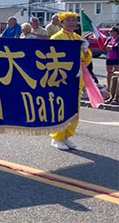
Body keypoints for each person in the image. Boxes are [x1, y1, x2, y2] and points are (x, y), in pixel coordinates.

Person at [49, 12, 92, 151]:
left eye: (74, 20)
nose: (73, 23)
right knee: (61, 108)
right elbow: (52, 58)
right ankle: (57, 137)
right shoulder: (57, 37)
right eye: (69, 20)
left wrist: (86, 51)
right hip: (62, 78)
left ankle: (66, 136)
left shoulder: (77, 38)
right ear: (61, 23)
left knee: (75, 109)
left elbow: (86, 60)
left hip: (77, 78)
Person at [104, 26, 119, 92]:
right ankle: (109, 87)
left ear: (116, 32)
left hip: (117, 58)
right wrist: (107, 47)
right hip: (110, 57)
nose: (110, 33)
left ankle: (115, 88)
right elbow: (105, 45)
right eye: (110, 31)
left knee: (116, 73)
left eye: (112, 31)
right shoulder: (109, 39)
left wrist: (112, 47)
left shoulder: (118, 39)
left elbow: (117, 46)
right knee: (109, 72)